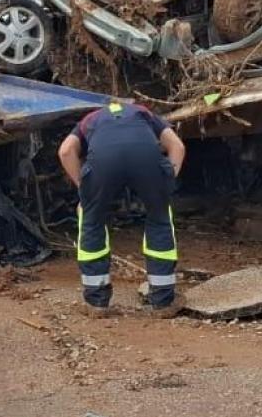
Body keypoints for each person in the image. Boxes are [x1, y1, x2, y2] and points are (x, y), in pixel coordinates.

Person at [57, 100, 187, 318]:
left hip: (103, 162)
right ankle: (163, 303)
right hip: (146, 159)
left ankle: (96, 303)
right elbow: (178, 147)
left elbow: (65, 151)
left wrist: (84, 189)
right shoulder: (144, 113)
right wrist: (166, 181)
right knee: (159, 218)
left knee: (91, 220)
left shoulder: (90, 119)